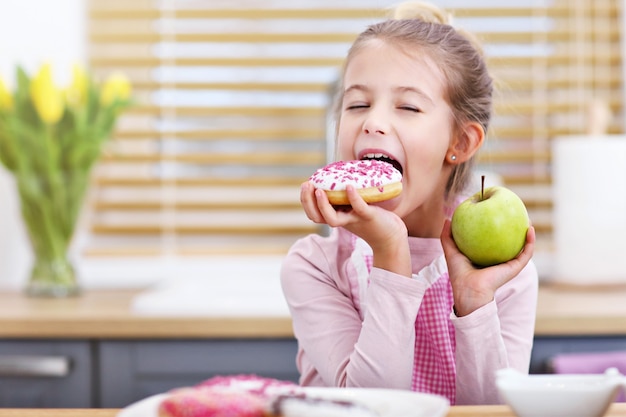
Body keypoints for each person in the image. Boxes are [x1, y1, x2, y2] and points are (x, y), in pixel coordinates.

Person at [280, 0, 538, 406]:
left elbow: (492, 413)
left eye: (408, 107)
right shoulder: (316, 266)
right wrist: (390, 253)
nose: (373, 121)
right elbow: (371, 410)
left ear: (460, 143)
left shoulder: (502, 273)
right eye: (358, 104)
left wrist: (474, 305)